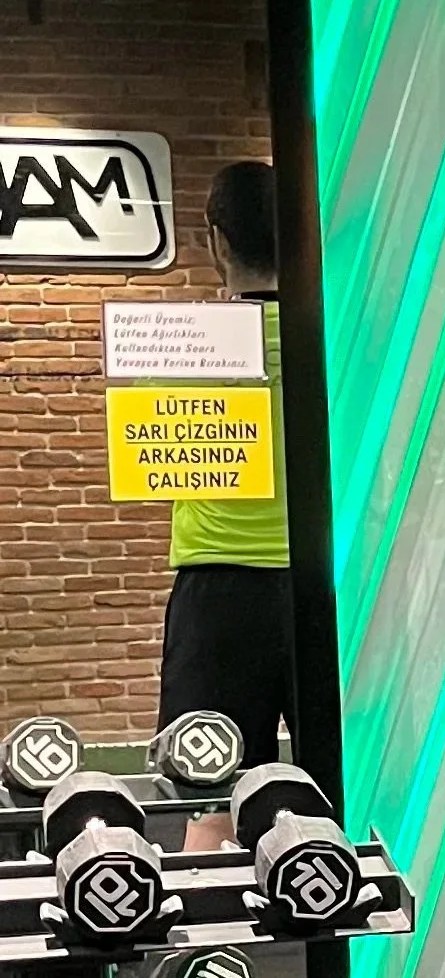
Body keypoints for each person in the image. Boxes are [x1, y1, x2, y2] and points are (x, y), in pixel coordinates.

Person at [158, 159, 293, 845]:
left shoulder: (187, 348)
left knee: (207, 797)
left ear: (216, 239)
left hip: (219, 594)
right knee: (353, 788)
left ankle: (205, 918)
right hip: (328, 592)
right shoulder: (337, 347)